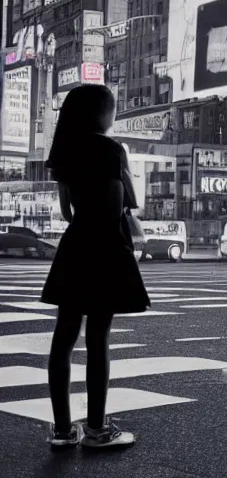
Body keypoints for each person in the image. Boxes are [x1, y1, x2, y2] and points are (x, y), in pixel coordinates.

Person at [40, 84, 148, 449]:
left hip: (74, 248)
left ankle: (61, 430)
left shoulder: (65, 150)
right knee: (98, 338)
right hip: (104, 249)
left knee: (64, 338)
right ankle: (98, 428)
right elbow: (119, 204)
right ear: (102, 114)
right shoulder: (111, 150)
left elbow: (67, 211)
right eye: (112, 109)